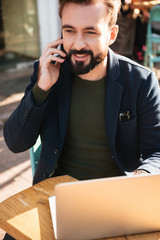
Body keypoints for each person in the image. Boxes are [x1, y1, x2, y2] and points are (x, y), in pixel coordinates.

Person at [3, 0, 160, 238]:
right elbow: (15, 143)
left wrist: (136, 183)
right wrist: (42, 88)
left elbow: (157, 152)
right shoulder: (46, 71)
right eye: (69, 31)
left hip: (117, 203)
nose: (77, 44)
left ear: (112, 34)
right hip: (53, 196)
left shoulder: (140, 81)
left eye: (90, 32)